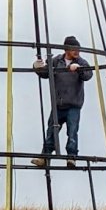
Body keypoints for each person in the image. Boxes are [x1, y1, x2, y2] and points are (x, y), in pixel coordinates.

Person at [31, 36, 93, 168]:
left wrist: (79, 69)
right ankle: (45, 157)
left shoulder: (81, 62)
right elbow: (45, 73)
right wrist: (37, 67)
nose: (77, 51)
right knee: (51, 131)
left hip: (73, 105)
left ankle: (71, 157)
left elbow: (88, 75)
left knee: (72, 132)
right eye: (73, 49)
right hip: (58, 105)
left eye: (78, 49)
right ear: (66, 49)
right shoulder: (56, 61)